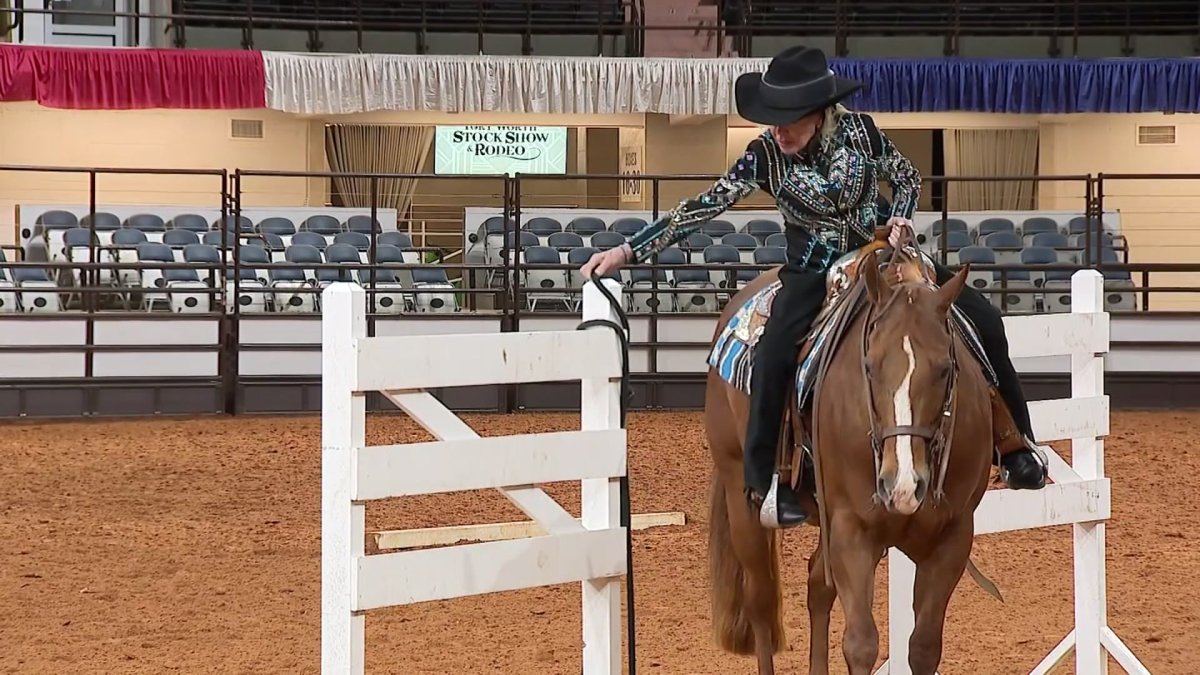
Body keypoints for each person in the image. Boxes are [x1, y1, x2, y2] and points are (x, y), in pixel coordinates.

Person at [579, 45, 1047, 529]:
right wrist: (627, 251)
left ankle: (1018, 446)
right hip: (813, 271)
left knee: (985, 319)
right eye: (773, 118)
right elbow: (703, 206)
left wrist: (902, 217)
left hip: (887, 255)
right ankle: (764, 483)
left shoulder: (861, 133)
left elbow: (906, 177)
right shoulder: (764, 155)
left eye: (790, 119)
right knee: (774, 351)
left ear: (820, 115)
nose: (779, 129)